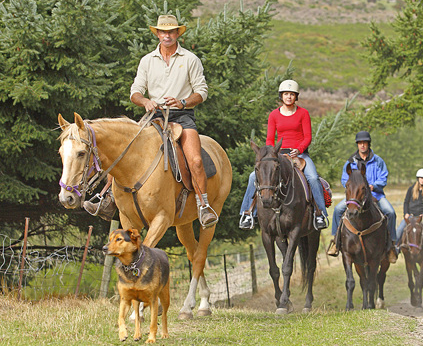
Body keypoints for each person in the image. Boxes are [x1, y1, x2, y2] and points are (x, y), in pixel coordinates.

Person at [84, 14, 218, 227]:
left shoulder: (190, 59)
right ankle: (106, 198)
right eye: (163, 31)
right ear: (157, 33)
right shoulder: (147, 60)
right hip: (153, 116)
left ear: (177, 33)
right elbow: (135, 91)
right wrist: (145, 101)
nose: (167, 35)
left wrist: (183, 102)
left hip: (182, 116)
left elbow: (202, 91)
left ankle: (203, 206)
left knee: (196, 161)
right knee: (123, 151)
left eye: (171, 31)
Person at [238, 79, 329, 230]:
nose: (289, 97)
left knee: (313, 178)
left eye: (292, 94)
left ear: (296, 96)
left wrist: (299, 149)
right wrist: (273, 153)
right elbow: (269, 138)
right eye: (286, 94)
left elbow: (308, 137)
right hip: (278, 155)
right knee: (253, 177)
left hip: (299, 155)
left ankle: (320, 215)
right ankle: (247, 214)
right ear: (281, 96)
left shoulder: (303, 113)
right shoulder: (273, 115)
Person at [326, 131, 398, 263]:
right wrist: (353, 187)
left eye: (364, 143)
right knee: (337, 210)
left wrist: (373, 186)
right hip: (356, 197)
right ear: (357, 145)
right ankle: (336, 242)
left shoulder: (378, 161)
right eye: (360, 143)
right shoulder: (350, 162)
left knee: (390, 212)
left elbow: (384, 177)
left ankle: (392, 245)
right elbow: (344, 179)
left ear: (368, 144)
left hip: (375, 195)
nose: (362, 145)